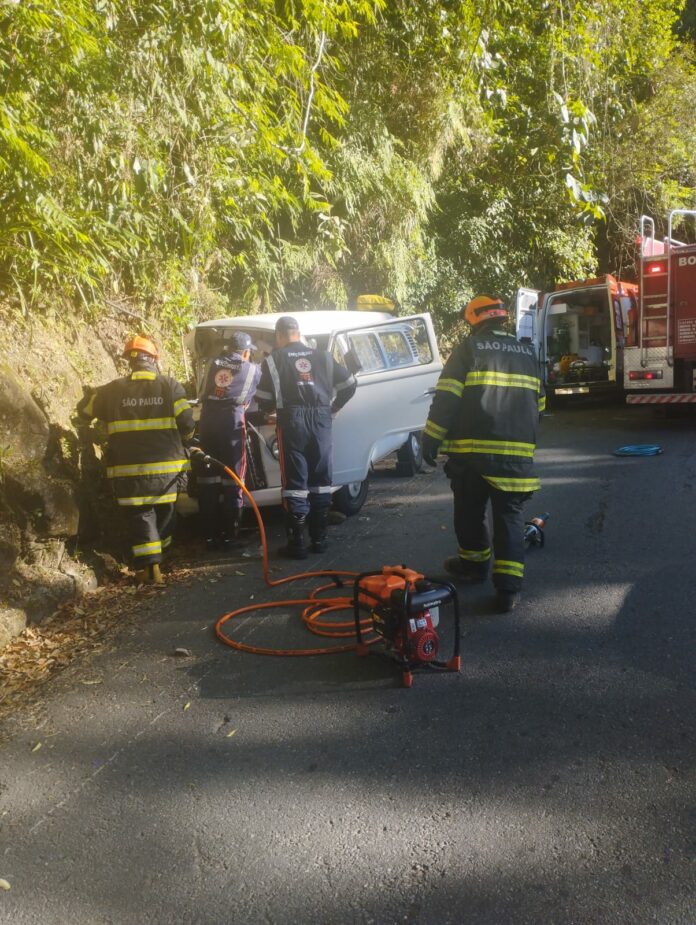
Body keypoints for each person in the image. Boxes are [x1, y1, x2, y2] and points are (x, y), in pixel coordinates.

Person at [421, 296, 545, 612]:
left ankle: (474, 566)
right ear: (501, 319)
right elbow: (540, 404)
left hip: (472, 453)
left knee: (469, 510)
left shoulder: (468, 349)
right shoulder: (527, 352)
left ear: (474, 320)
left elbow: (447, 399)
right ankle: (508, 591)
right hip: (516, 454)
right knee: (510, 517)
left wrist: (430, 439)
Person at [77, 335, 194, 585]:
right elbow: (187, 424)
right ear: (153, 359)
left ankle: (150, 566)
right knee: (166, 512)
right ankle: (157, 562)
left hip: (128, 472)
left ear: (129, 362)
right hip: (167, 472)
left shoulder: (111, 390)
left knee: (140, 516)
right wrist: (187, 439)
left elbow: (84, 410)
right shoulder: (170, 386)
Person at [255, 315, 357, 558]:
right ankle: (320, 540)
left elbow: (263, 398)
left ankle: (297, 544)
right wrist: (333, 408)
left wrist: (273, 410)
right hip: (321, 420)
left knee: (295, 482)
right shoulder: (322, 356)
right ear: (298, 333)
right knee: (321, 479)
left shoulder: (273, 360)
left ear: (279, 336)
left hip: (292, 422)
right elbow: (350, 384)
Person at [196, 331, 261, 549]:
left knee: (208, 478)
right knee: (234, 478)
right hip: (231, 422)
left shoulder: (212, 363)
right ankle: (231, 535)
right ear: (245, 352)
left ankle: (208, 535)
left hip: (207, 421)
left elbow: (202, 391)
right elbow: (253, 395)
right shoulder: (252, 369)